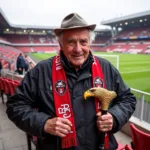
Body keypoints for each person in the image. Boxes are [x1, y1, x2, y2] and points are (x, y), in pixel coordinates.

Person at [6, 13, 136, 150]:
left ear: (90, 42)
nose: (78, 49)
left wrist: (114, 117)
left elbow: (127, 99)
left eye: (83, 42)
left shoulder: (106, 68)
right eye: (71, 42)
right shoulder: (41, 71)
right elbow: (15, 106)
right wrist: (44, 123)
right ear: (60, 44)